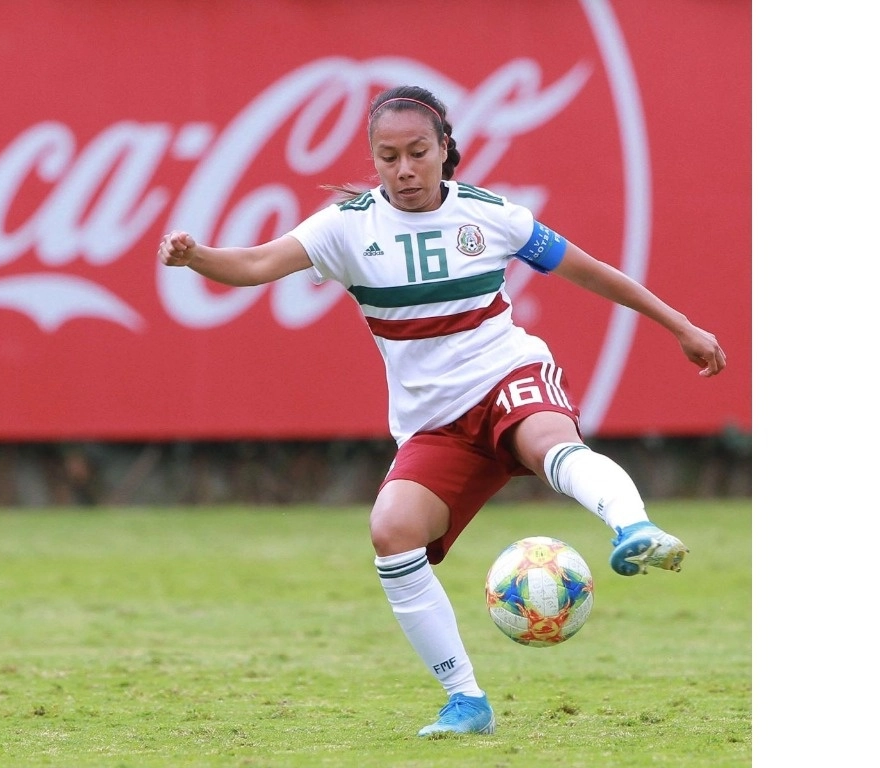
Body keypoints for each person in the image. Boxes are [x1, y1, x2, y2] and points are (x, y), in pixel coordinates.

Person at [157, 84, 726, 738]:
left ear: (445, 149)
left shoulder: (492, 215)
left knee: (548, 441)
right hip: (435, 424)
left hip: (507, 375)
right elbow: (256, 263)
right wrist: (197, 256)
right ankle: (466, 702)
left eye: (417, 153)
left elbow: (591, 271)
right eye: (388, 156)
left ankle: (633, 529)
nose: (403, 169)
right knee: (391, 533)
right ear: (373, 159)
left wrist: (679, 325)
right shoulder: (349, 225)